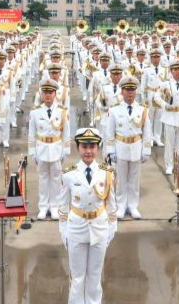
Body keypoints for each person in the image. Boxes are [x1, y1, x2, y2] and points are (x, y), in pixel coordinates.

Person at [59, 127, 117, 304]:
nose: (88, 151)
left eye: (92, 146)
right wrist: (64, 232)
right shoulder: (69, 173)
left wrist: (111, 229)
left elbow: (112, 205)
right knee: (77, 278)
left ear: (98, 148)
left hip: (99, 227)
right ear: (78, 148)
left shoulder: (106, 172)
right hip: (76, 228)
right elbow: (62, 207)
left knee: (95, 275)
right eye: (84, 146)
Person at [104, 76, 151, 219]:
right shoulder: (114, 110)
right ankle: (121, 205)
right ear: (122, 92)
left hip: (136, 147)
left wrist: (146, 150)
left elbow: (147, 132)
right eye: (127, 90)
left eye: (132, 90)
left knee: (134, 179)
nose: (130, 93)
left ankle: (133, 205)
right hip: (121, 147)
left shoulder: (143, 110)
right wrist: (110, 151)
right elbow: (109, 133)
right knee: (121, 179)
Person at [28, 78, 70, 220]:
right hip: (41, 149)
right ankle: (43, 206)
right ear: (41, 93)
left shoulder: (62, 112)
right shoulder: (35, 112)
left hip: (56, 148)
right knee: (43, 178)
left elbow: (66, 133)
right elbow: (31, 134)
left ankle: (54, 206)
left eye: (50, 92)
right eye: (45, 92)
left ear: (55, 94)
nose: (47, 95)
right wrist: (33, 152)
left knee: (56, 179)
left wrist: (65, 150)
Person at [156, 59, 179, 176]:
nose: (177, 72)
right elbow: (156, 97)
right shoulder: (165, 84)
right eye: (175, 69)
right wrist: (164, 105)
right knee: (169, 144)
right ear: (171, 71)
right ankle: (169, 165)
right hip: (169, 116)